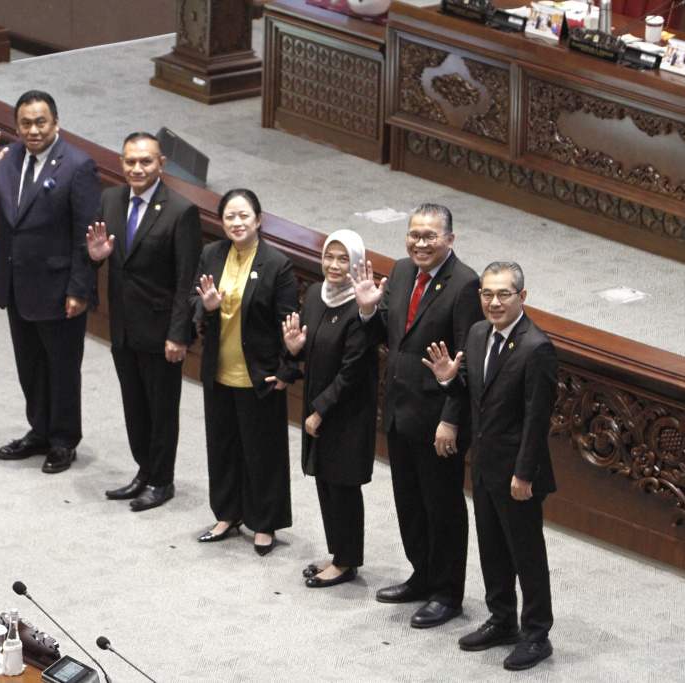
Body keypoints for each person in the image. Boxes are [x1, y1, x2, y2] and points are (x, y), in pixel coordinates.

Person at [423, 261, 558, 671]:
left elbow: (538, 420)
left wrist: (524, 474)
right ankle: (503, 620)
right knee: (492, 550)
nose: (494, 302)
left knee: (525, 554)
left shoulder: (537, 348)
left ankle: (536, 635)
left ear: (522, 297)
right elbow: (471, 393)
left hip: (518, 472)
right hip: (482, 465)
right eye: (487, 294)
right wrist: (449, 380)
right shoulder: (479, 333)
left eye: (504, 294)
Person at [352, 203, 482, 627]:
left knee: (442, 506)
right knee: (409, 502)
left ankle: (447, 592)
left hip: (437, 418)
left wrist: (451, 418)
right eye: (414, 234)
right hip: (400, 409)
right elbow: (389, 337)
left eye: (430, 236)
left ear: (450, 239)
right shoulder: (403, 271)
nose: (420, 243)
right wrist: (369, 309)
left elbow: (465, 362)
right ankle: (421, 576)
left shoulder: (465, 285)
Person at [0, 90, 101, 474]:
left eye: (41, 122)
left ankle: (63, 441)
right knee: (31, 365)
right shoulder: (5, 160)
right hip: (16, 283)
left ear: (56, 123)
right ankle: (39, 430)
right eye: (26, 123)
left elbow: (85, 235)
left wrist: (80, 289)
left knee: (62, 367)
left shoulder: (78, 166)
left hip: (59, 289)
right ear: (17, 125)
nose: (33, 130)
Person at [85, 132, 202, 512]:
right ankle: (143, 470)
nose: (137, 168)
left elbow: (187, 279)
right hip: (123, 326)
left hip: (161, 330)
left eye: (146, 162)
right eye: (130, 161)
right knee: (134, 404)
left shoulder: (180, 211)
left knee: (162, 409)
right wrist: (95, 257)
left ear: (161, 164)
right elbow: (101, 255)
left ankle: (162, 480)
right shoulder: (110, 199)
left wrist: (178, 333)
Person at [189, 188, 296, 556]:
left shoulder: (276, 264)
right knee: (222, 447)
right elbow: (194, 300)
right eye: (229, 217)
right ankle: (227, 514)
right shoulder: (211, 254)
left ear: (259, 220)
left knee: (262, 451)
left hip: (258, 374)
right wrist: (206, 307)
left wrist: (286, 370)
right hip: (218, 371)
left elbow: (289, 322)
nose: (236, 223)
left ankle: (264, 523)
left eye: (244, 216)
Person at [278, 230, 378, 588]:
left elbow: (352, 370)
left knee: (343, 485)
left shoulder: (361, 308)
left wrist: (320, 411)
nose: (334, 266)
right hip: (319, 408)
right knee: (325, 481)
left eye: (343, 259)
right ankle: (337, 553)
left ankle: (347, 562)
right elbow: (315, 349)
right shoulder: (318, 298)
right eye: (328, 258)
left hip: (346, 413)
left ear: (356, 262)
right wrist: (294, 349)